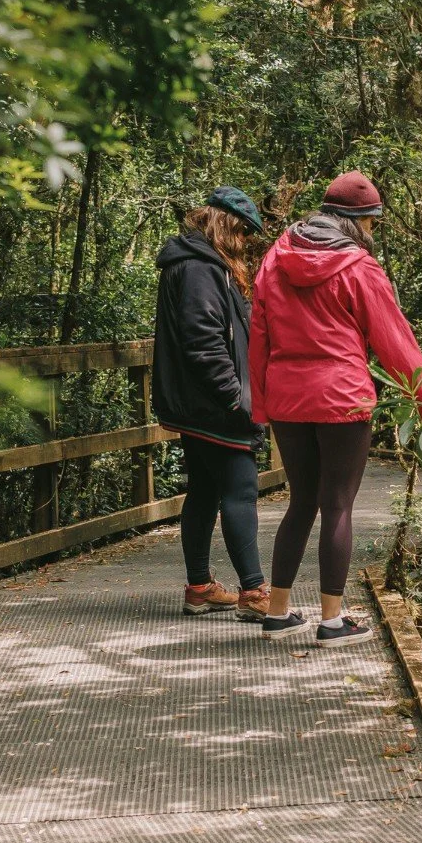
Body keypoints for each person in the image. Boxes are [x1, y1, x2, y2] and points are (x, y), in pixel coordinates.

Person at [249, 171, 422, 647]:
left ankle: (278, 613)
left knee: (301, 502)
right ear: (360, 221)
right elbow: (393, 339)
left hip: (287, 395)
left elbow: (258, 337)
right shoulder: (359, 266)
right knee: (336, 504)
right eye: (373, 223)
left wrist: (260, 403)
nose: (374, 232)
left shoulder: (276, 257)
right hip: (342, 395)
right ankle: (332, 622)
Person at [152, 187, 270, 622]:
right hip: (213, 406)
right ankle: (255, 592)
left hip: (196, 404)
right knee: (241, 488)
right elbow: (202, 342)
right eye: (241, 231)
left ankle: (199, 587)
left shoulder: (198, 265)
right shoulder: (201, 269)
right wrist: (237, 399)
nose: (244, 243)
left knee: (203, 488)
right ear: (222, 224)